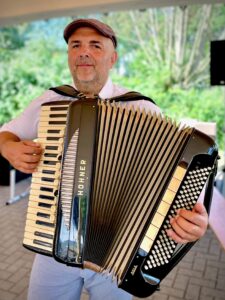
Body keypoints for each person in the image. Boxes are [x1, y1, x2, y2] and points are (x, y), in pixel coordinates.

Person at [0, 19, 208, 300]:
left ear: (113, 58)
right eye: (76, 45)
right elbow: (7, 133)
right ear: (69, 56)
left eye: (95, 45)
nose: (84, 52)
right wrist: (10, 149)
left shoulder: (141, 108)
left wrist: (192, 221)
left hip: (118, 254)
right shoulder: (51, 100)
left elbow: (171, 183)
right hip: (51, 241)